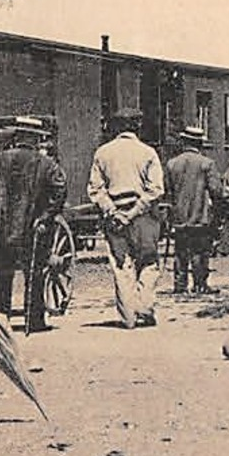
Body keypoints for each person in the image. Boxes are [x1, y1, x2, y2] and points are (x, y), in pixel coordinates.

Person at [0, 116, 67, 332]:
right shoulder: (47, 164)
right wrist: (45, 217)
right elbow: (59, 190)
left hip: (1, 229)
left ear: (17, 137)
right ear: (35, 140)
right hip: (33, 230)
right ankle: (34, 321)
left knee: (0, 275)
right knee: (34, 274)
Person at [87, 108, 165, 328]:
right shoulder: (148, 152)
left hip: (114, 216)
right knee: (148, 262)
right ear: (137, 127)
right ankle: (145, 309)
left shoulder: (102, 153)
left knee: (122, 265)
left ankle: (128, 317)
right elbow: (156, 190)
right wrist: (133, 212)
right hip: (143, 216)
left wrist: (113, 212)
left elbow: (95, 189)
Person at [166, 126, 225, 294]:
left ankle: (180, 285)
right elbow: (216, 191)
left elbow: (168, 191)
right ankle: (200, 285)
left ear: (184, 142)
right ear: (199, 143)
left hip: (179, 218)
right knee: (200, 251)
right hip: (200, 217)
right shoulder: (206, 163)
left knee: (180, 252)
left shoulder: (172, 164)